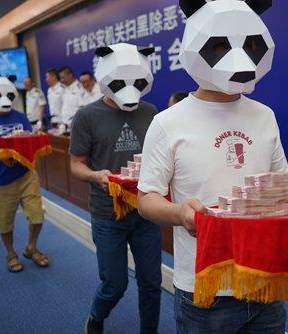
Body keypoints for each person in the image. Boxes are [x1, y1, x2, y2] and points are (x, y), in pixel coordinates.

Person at [138, 1, 288, 333]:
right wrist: (180, 214)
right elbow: (146, 198)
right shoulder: (167, 122)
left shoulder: (264, 116)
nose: (240, 58)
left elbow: (282, 184)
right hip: (206, 285)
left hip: (265, 274)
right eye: (220, 47)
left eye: (250, 46)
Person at [70, 43, 161, 334]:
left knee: (151, 282)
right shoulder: (86, 116)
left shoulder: (150, 112)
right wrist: (97, 176)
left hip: (146, 211)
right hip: (107, 213)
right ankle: (97, 316)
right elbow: (76, 165)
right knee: (115, 284)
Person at [0, 75, 50, 273]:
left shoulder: (20, 116)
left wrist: (32, 138)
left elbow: (28, 143)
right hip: (0, 179)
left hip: (25, 174)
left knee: (37, 216)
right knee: (5, 222)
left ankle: (31, 247)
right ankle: (11, 253)